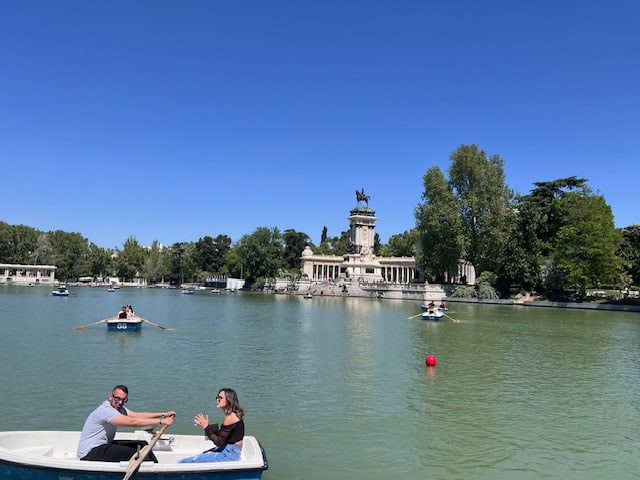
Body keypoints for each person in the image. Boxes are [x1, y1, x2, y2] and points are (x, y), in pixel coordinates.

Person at [77, 385, 176, 462]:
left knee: (142, 445)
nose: (120, 402)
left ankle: (155, 468)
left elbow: (137, 415)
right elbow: (132, 422)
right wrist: (160, 421)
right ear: (110, 396)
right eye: (117, 399)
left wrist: (163, 414)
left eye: (124, 400)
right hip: (90, 452)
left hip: (104, 445)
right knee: (135, 453)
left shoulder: (118, 408)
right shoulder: (106, 411)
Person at [179, 388, 245, 463]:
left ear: (229, 400)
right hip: (230, 449)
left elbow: (219, 442)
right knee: (202, 455)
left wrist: (206, 427)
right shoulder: (232, 414)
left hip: (230, 454)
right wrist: (207, 426)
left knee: (186, 462)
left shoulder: (230, 417)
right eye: (217, 397)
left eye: (221, 398)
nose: (217, 400)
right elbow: (223, 436)